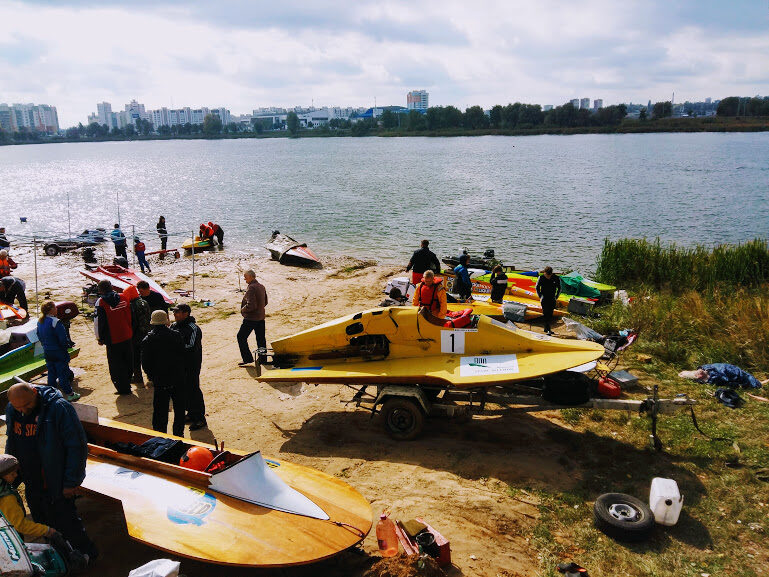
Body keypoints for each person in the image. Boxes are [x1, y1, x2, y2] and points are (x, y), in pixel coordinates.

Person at [5, 383, 97, 562]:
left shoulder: (58, 408)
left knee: (67, 522)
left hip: (56, 480)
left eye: (26, 405)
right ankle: (60, 558)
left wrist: (71, 482)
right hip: (32, 481)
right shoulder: (12, 409)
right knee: (42, 522)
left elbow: (76, 446)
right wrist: (10, 472)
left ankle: (87, 556)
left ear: (34, 393)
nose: (23, 411)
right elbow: (12, 441)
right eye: (18, 408)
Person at [142, 310, 186, 436]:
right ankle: (179, 435)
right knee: (179, 409)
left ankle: (161, 436)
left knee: (160, 411)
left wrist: (151, 376)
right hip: (177, 378)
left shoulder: (148, 340)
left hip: (160, 380)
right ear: (166, 321)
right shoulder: (176, 335)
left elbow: (145, 363)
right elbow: (183, 355)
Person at [0, 454, 59, 540]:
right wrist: (47, 531)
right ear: (2, 476)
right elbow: (20, 525)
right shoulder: (7, 497)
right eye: (12, 474)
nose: (16, 475)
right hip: (8, 539)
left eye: (16, 472)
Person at [94, 280, 133, 394]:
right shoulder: (124, 297)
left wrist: (99, 338)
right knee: (127, 360)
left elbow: (98, 322)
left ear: (100, 290)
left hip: (112, 338)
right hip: (126, 334)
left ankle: (122, 388)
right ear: (111, 287)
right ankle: (127, 384)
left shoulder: (101, 302)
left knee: (116, 364)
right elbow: (130, 315)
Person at [170, 304, 206, 431]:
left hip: (191, 364)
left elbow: (191, 347)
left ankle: (200, 418)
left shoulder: (193, 328)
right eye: (174, 312)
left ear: (186, 313)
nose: (175, 314)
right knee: (183, 390)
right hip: (179, 365)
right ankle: (191, 414)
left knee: (193, 389)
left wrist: (174, 349)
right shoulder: (173, 326)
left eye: (177, 312)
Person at [37, 301, 79, 402]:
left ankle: (51, 394)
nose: (57, 309)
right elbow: (63, 339)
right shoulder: (56, 322)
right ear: (51, 310)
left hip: (47, 350)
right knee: (62, 373)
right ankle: (70, 394)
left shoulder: (40, 321)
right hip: (58, 351)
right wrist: (66, 348)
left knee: (51, 373)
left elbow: (39, 336)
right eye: (55, 307)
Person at [237, 270, 268, 367]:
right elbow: (265, 302)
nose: (244, 279)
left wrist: (243, 310)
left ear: (251, 277)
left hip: (251, 318)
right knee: (261, 339)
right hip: (261, 317)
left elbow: (251, 305)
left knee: (241, 337)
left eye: (245, 277)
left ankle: (247, 359)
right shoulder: (261, 286)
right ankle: (263, 359)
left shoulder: (251, 288)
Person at [125, 286, 150, 386]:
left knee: (136, 357)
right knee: (147, 355)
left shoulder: (132, 305)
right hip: (147, 332)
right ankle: (150, 376)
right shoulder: (144, 302)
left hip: (137, 334)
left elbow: (134, 322)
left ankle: (138, 377)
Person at [679, 364, 768, 389]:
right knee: (754, 382)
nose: (698, 372)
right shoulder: (712, 377)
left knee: (749, 379)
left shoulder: (707, 368)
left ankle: (761, 382)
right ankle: (760, 383)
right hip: (735, 375)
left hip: (729, 370)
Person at [535, 266, 561, 335]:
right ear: (544, 273)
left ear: (551, 274)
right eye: (547, 275)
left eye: (549, 275)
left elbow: (560, 288)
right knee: (545, 313)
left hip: (552, 298)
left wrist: (556, 297)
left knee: (550, 313)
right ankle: (549, 329)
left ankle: (546, 328)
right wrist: (540, 296)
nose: (548, 277)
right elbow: (537, 287)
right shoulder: (541, 278)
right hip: (544, 297)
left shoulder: (556, 278)